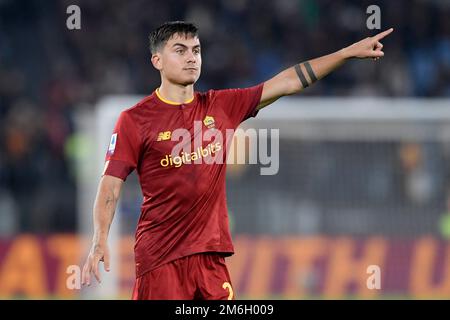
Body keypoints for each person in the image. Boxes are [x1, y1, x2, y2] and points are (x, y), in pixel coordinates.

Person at [81, 21, 393, 300]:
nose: (191, 57)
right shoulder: (135, 120)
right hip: (162, 260)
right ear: (157, 61)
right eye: (180, 50)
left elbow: (289, 82)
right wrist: (99, 240)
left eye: (196, 50)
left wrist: (345, 54)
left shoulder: (222, 106)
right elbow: (109, 187)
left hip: (211, 260)